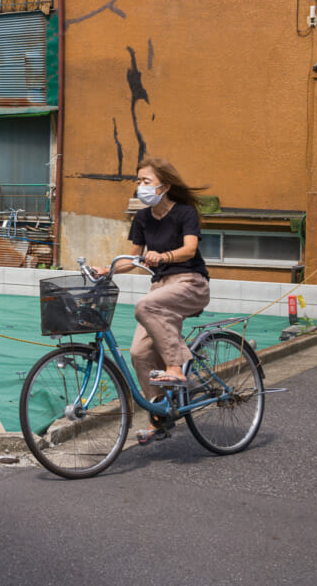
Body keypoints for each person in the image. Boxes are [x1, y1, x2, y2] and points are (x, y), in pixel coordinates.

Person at [96, 157, 210, 444]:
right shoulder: (143, 217)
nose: (140, 187)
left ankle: (176, 366)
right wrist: (106, 269)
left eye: (146, 181)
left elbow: (189, 249)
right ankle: (161, 416)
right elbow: (134, 257)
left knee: (146, 305)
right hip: (161, 287)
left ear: (165, 186)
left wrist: (164, 256)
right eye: (138, 181)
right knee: (139, 352)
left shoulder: (185, 213)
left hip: (190, 282)